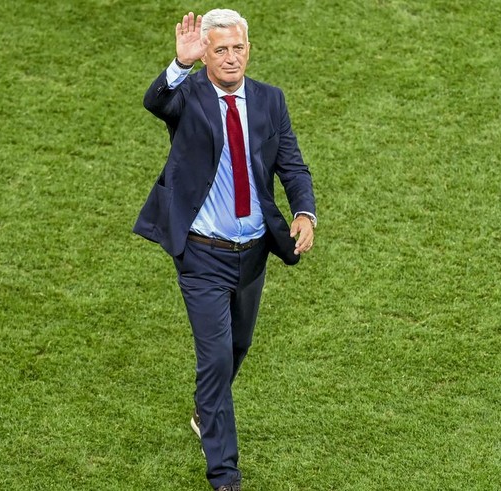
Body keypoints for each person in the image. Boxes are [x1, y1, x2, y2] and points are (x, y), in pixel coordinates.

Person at [133, 8, 317, 491]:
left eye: (237, 48)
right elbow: (156, 102)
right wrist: (180, 64)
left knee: (238, 346)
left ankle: (204, 407)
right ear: (206, 55)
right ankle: (225, 475)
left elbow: (292, 164)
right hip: (201, 255)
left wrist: (304, 212)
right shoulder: (188, 97)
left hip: (253, 251)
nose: (231, 58)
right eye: (220, 51)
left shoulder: (270, 100)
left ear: (248, 49)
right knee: (214, 359)